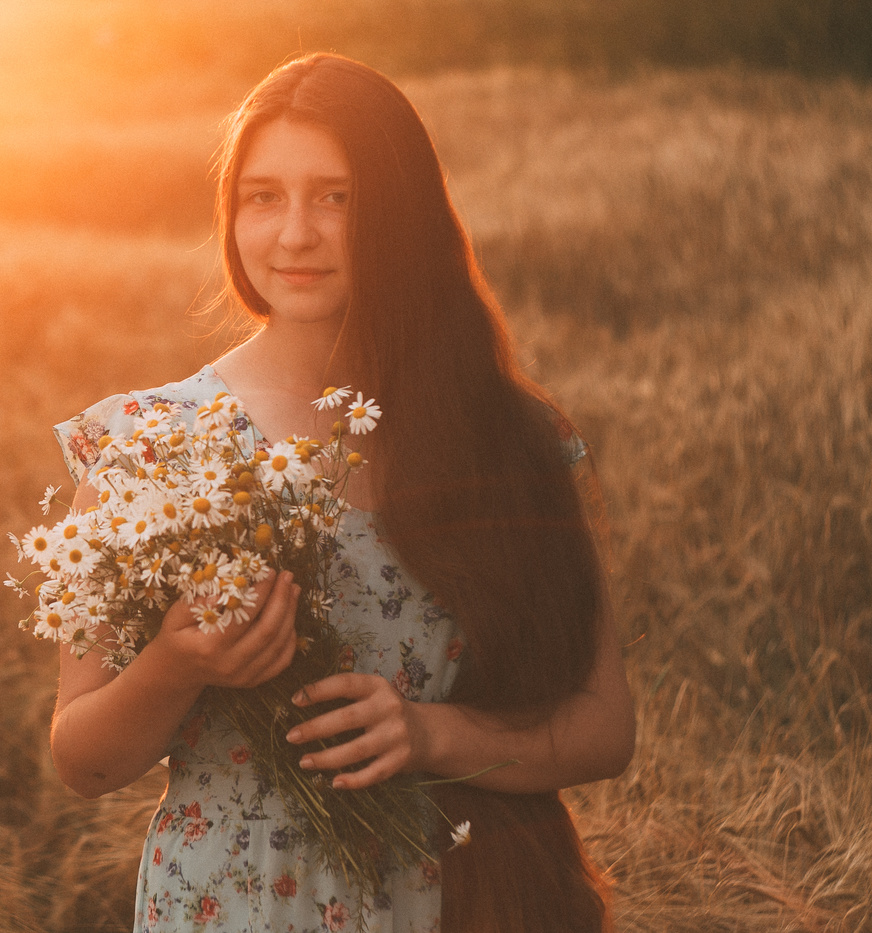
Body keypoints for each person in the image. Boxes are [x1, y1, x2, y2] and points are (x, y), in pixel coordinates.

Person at [48, 53, 635, 932]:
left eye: (337, 197)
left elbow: (604, 728)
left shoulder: (511, 442)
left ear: (402, 215)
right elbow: (81, 760)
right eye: (263, 197)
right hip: (230, 905)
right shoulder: (152, 449)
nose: (295, 234)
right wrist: (179, 664)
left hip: (451, 904)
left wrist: (431, 735)